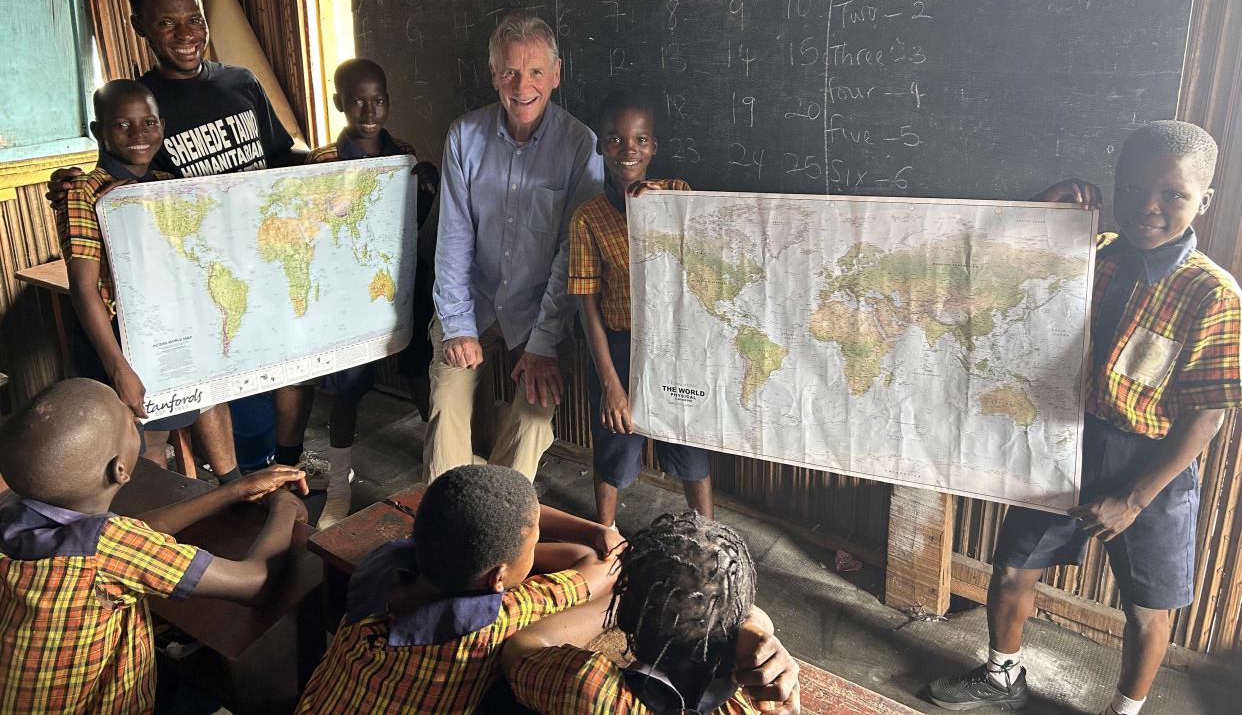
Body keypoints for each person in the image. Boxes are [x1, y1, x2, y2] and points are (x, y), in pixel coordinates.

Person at [928, 121, 1240, 715]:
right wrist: (1041, 215)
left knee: (1148, 609)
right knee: (1014, 568)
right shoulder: (1087, 254)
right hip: (1064, 441)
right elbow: (996, 268)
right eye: (1132, 189)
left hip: (1153, 464)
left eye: (1173, 194)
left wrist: (1136, 499)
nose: (1148, 207)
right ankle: (1001, 679)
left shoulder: (1214, 294)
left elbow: (1207, 416)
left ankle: (1124, 711)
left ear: (1204, 200)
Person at [47, 0, 317, 485]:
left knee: (287, 374)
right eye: (167, 24)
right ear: (139, 26)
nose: (186, 35)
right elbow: (116, 179)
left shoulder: (241, 82)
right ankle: (222, 486)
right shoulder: (140, 100)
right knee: (211, 392)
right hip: (197, 286)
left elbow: (281, 161)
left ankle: (280, 468)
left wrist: (338, 165)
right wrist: (69, 182)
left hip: (263, 260)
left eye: (194, 20)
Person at [0, 378, 308, 714]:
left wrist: (233, 491)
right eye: (128, 422)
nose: (135, 419)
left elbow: (139, 532)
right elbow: (253, 583)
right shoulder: (108, 551)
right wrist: (285, 506)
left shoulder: (12, 515)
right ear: (119, 470)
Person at [426, 13, 604, 481]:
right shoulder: (463, 137)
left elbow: (573, 256)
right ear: (493, 75)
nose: (522, 85)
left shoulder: (580, 146)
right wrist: (458, 327)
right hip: (474, 303)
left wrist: (545, 342)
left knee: (532, 419)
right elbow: (453, 241)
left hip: (539, 311)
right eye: (509, 71)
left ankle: (500, 519)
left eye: (536, 72)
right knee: (447, 403)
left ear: (556, 75)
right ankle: (443, 516)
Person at [294, 463, 622, 713]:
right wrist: (595, 531)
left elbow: (482, 517)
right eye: (535, 544)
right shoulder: (495, 621)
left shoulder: (383, 564)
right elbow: (601, 566)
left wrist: (506, 553)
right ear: (496, 578)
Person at [300, 57, 440, 527]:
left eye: (378, 99)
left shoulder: (403, 152)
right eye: (357, 100)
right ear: (340, 102)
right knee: (348, 390)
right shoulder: (321, 163)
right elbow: (311, 233)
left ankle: (438, 475)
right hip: (348, 296)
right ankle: (338, 488)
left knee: (422, 374)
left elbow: (411, 224)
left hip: (403, 284)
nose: (369, 109)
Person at [569, 92, 713, 528]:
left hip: (676, 345)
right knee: (614, 442)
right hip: (619, 345)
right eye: (614, 139)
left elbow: (703, 265)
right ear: (600, 147)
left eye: (640, 139)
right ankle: (606, 533)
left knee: (690, 445)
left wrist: (659, 209)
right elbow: (587, 304)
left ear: (654, 147)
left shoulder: (679, 196)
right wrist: (612, 383)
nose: (628, 150)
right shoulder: (588, 218)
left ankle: (706, 533)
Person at [501, 510, 801, 714]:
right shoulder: (760, 699)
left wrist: (628, 601)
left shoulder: (590, 690)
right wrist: (753, 623)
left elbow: (522, 647)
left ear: (627, 618)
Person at [56, 80, 185, 458]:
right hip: (112, 339)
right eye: (122, 125)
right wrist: (119, 370)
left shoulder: (166, 186)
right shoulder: (83, 192)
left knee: (155, 437)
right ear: (99, 131)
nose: (139, 135)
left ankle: (155, 517)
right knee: (126, 449)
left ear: (162, 124)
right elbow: (84, 288)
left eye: (149, 123)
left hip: (159, 331)